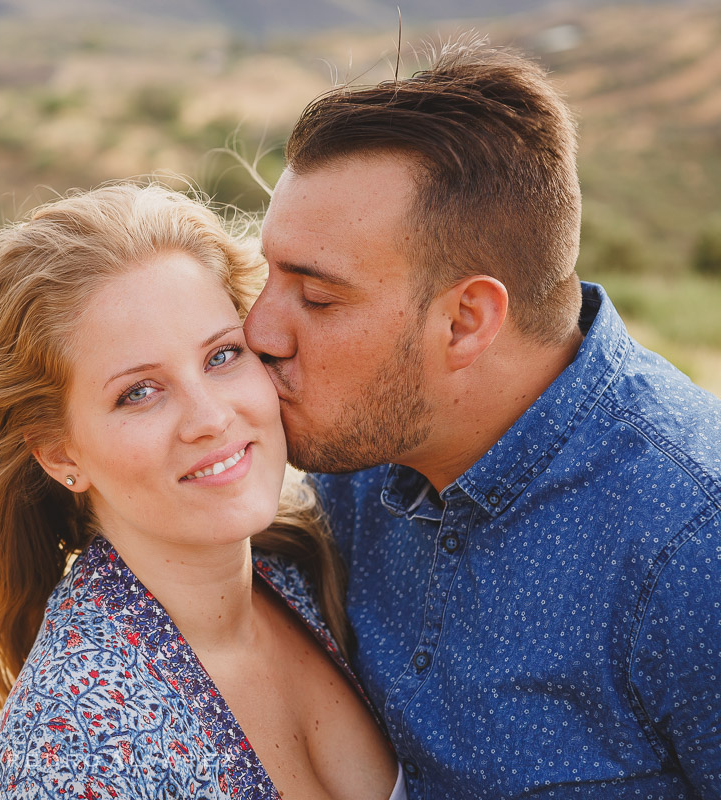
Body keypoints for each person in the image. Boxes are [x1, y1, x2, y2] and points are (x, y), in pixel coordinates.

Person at [244, 40, 721, 798]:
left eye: (319, 297)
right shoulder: (359, 460)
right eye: (267, 276)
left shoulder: (693, 546)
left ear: (467, 320)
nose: (259, 333)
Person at [0, 183, 404, 798]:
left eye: (222, 356)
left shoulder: (306, 567)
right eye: (139, 392)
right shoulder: (73, 758)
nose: (209, 417)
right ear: (60, 454)